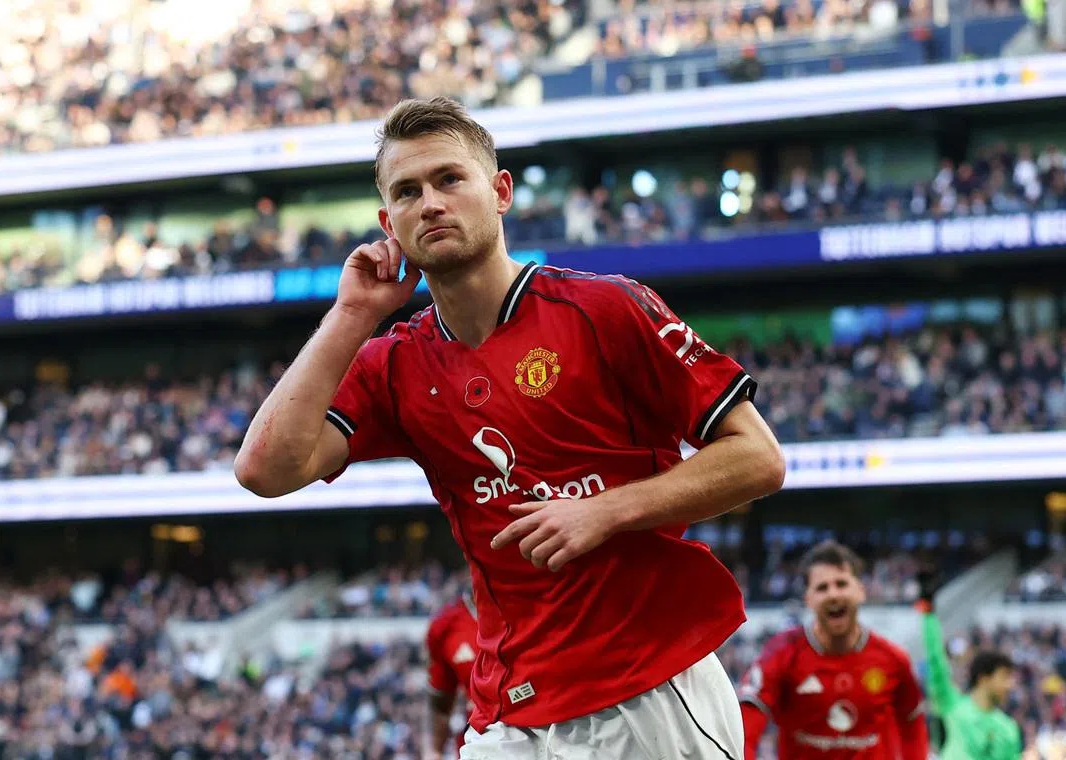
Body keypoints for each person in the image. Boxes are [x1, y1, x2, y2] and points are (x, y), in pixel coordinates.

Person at [235, 96, 786, 758]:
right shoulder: (395, 364)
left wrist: (604, 511)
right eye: (407, 192)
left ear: (500, 192)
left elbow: (758, 457)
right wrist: (352, 312)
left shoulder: (604, 308)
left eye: (448, 179)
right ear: (389, 222)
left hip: (649, 689)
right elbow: (264, 470)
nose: (430, 203)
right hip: (511, 708)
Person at [739, 540, 929, 759]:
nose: (833, 594)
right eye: (822, 587)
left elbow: (913, 724)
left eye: (841, 584)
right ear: (808, 599)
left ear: (861, 591)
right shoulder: (782, 654)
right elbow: (746, 726)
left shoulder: (892, 658)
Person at [915, 570, 1022, 759]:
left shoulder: (1008, 729)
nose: (1010, 685)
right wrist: (928, 613)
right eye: (1004, 677)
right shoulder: (954, 707)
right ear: (983, 678)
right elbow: (936, 664)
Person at [425, 588, 480, 760]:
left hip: (540, 731)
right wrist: (435, 751)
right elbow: (441, 699)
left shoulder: (534, 605)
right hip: (479, 741)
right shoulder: (445, 626)